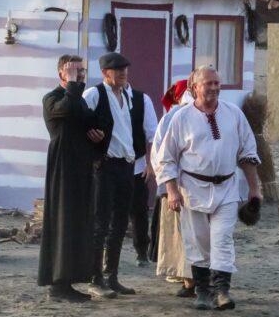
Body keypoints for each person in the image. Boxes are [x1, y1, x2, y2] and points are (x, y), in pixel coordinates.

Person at [156, 66, 262, 311]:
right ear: (195, 87)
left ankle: (222, 291)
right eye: (208, 84)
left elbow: (247, 153)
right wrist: (171, 191)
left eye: (217, 83)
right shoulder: (181, 118)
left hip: (226, 187)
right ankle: (203, 291)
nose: (214, 88)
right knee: (199, 241)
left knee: (222, 239)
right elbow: (167, 158)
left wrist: (254, 189)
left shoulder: (233, 114)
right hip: (192, 189)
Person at [37, 55, 105, 302]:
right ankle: (57, 284)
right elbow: (65, 110)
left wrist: (98, 135)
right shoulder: (53, 99)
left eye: (82, 72)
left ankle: (69, 281)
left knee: (78, 222)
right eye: (74, 72)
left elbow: (87, 122)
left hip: (81, 166)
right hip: (63, 167)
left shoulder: (79, 100)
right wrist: (73, 85)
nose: (80, 76)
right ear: (61, 74)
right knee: (63, 222)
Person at [83, 53, 139, 298]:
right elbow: (79, 121)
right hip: (105, 165)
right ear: (106, 73)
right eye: (118, 71)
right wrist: (90, 133)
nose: (123, 74)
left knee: (119, 223)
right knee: (100, 223)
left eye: (125, 70)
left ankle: (111, 275)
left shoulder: (126, 94)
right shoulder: (94, 94)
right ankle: (94, 278)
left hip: (125, 165)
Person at [152, 79, 195, 296]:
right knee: (181, 235)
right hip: (177, 185)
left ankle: (192, 280)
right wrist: (168, 186)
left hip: (193, 185)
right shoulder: (172, 118)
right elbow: (161, 154)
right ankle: (188, 279)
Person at [127, 83, 159, 267]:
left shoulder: (141, 99)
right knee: (105, 212)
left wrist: (152, 164)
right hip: (108, 166)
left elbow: (154, 135)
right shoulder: (96, 95)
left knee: (139, 211)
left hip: (137, 166)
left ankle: (141, 251)